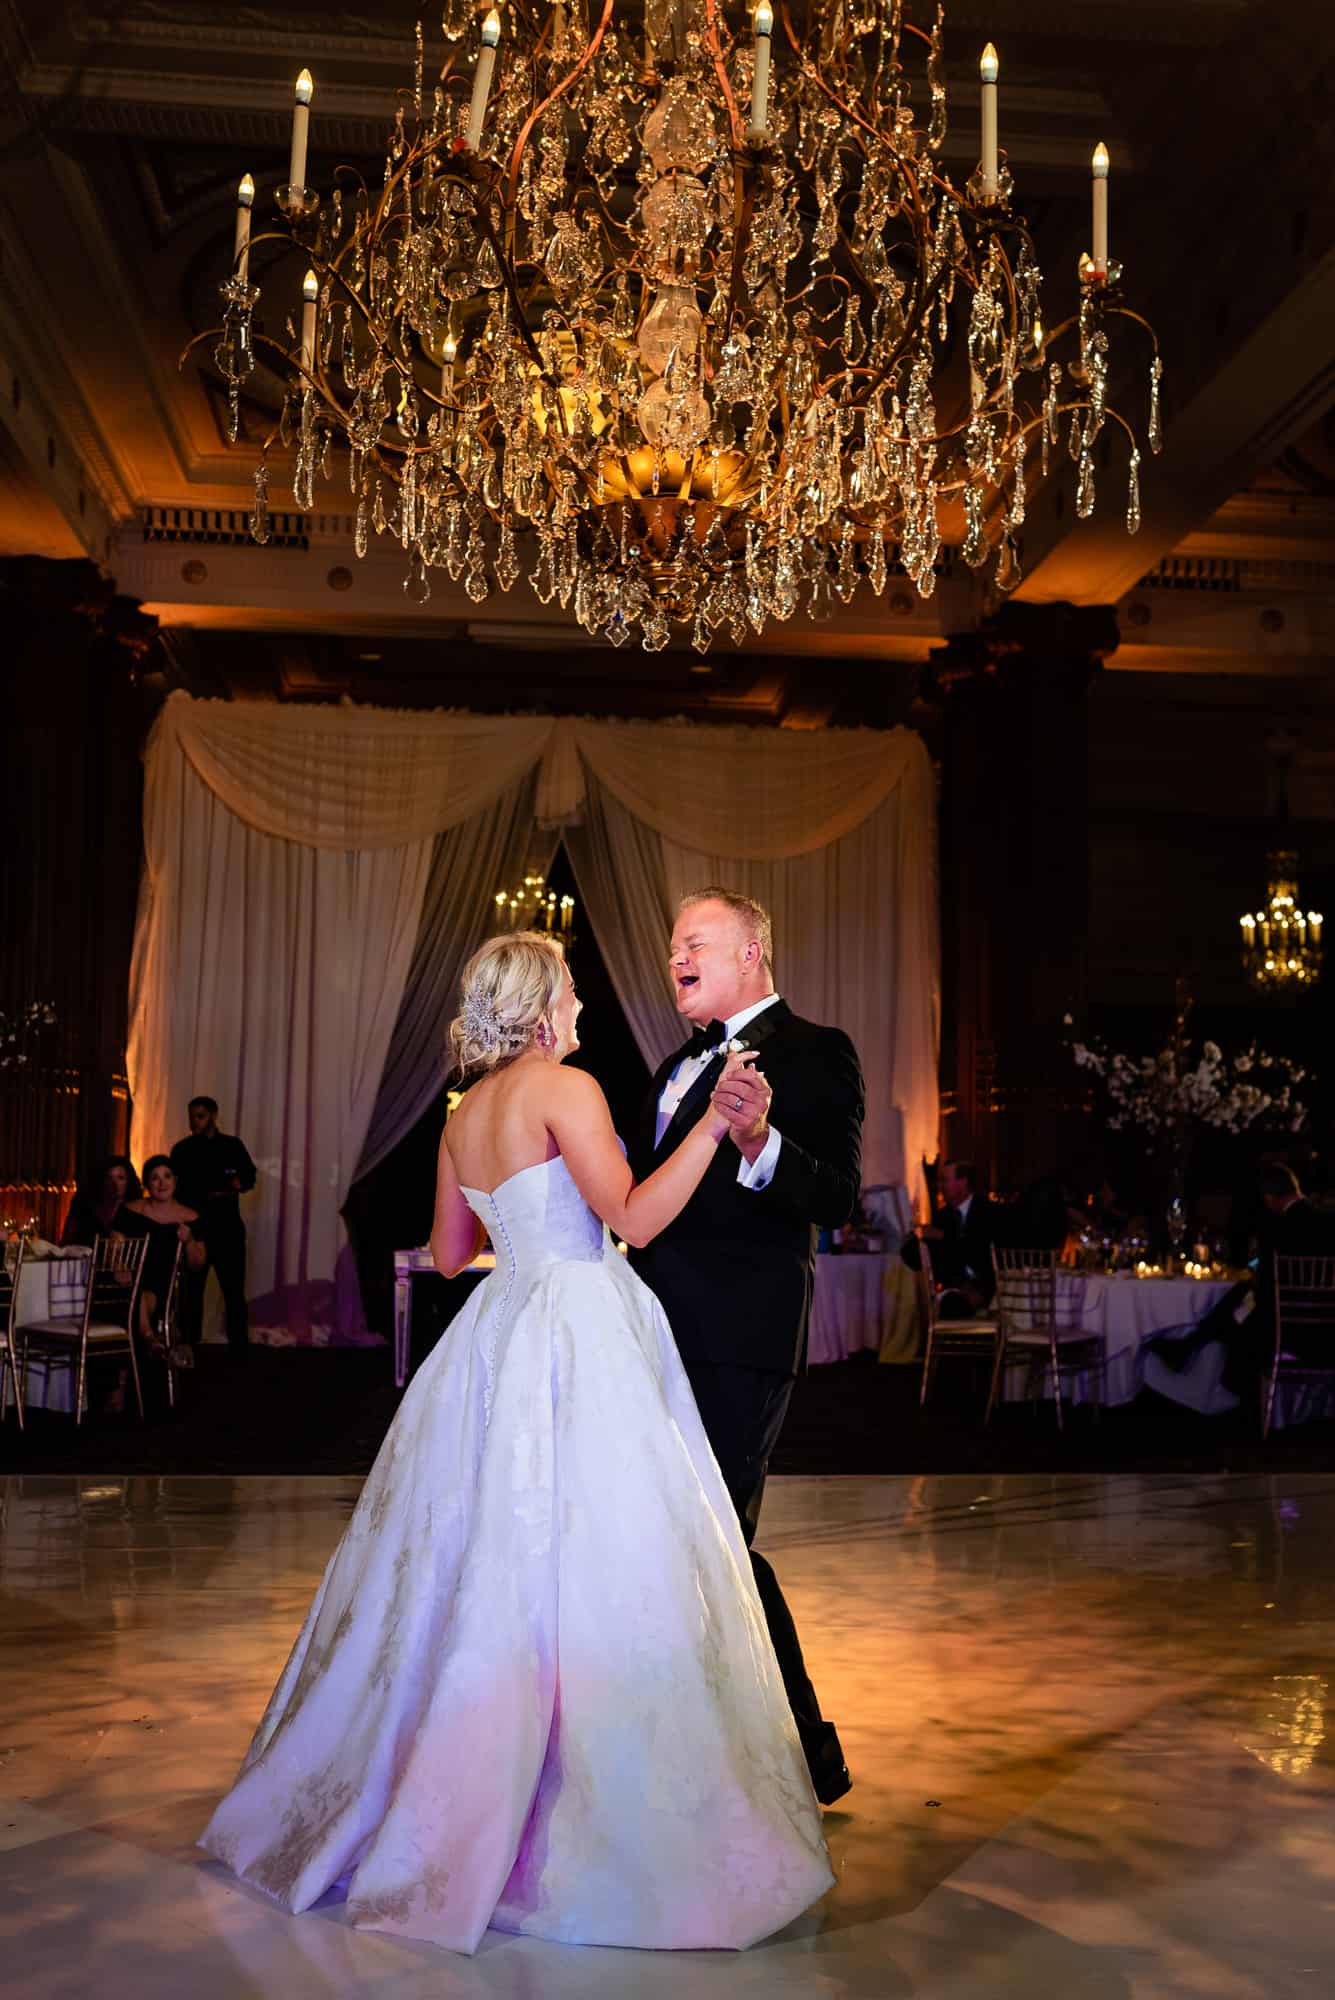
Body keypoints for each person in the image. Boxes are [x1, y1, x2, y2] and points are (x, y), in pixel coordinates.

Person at [200, 932, 833, 1953]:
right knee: (602, 1561)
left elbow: (452, 1255)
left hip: (499, 1330)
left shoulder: (463, 1114)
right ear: (545, 1004)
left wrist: (526, 1231)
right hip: (581, 1323)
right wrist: (712, 1132)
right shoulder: (565, 1086)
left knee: (484, 1567)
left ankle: (475, 1795)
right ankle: (576, 1822)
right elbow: (635, 1217)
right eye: (574, 986)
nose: (583, 999)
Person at [628, 888, 864, 1808]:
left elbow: (837, 1197)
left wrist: (762, 1138)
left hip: (740, 1334)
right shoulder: (672, 1065)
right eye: (671, 944)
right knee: (671, 1541)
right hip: (651, 1337)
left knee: (719, 1539)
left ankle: (806, 1756)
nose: (674, 956)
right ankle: (698, 1745)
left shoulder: (816, 1051)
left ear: (751, 952)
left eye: (694, 941)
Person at [169, 1097, 256, 1350]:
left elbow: (249, 1175)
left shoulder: (231, 1145)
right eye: (192, 1116)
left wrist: (240, 1183)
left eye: (200, 1116)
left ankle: (239, 1349)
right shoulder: (182, 1150)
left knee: (233, 1291)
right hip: (196, 1228)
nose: (194, 1122)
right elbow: (175, 1188)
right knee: (191, 1292)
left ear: (213, 1116)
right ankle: (189, 1346)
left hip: (227, 1227)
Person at [120, 1156, 208, 1347]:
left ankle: (148, 1344)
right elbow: (114, 1245)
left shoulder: (191, 1216)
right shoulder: (130, 1211)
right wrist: (120, 1266)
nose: (162, 1183)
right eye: (155, 1178)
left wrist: (190, 1240)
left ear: (175, 1181)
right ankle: (149, 1340)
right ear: (147, 1184)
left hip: (166, 1287)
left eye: (167, 1176)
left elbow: (197, 1265)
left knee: (139, 1298)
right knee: (133, 1294)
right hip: (131, 1281)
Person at [923, 1159, 998, 1313]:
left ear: (962, 1183)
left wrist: (944, 1237)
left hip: (986, 1284)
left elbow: (978, 1250)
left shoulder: (988, 1211)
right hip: (953, 1285)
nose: (940, 1186)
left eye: (945, 1180)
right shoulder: (941, 1217)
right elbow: (940, 1260)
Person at [61, 1155, 144, 1247]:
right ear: (102, 1181)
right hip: (84, 1259)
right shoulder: (83, 1205)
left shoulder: (136, 1209)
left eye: (120, 1178)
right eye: (109, 1178)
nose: (115, 1184)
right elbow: (66, 1241)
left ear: (128, 1181)